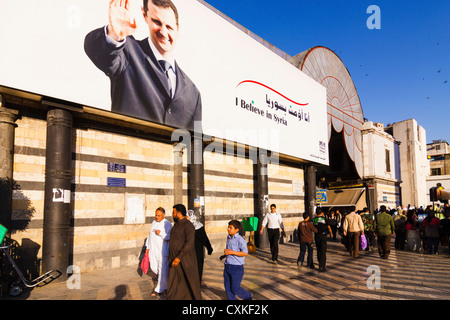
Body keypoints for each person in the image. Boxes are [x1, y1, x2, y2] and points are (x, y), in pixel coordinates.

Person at [84, 0, 202, 131]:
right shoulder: (127, 51)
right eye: (157, 22)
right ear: (145, 17)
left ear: (178, 28)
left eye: (169, 27)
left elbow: (195, 145)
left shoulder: (193, 93)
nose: (163, 32)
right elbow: (97, 52)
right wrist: (113, 34)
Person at [166, 204, 202, 300]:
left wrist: (179, 257)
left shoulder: (188, 226)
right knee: (174, 281)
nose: (172, 214)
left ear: (178, 213)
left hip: (185, 259)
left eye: (173, 212)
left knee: (190, 282)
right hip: (173, 259)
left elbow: (189, 243)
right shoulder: (176, 225)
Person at [144, 207, 172, 296]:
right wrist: (147, 248)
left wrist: (160, 233)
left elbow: (170, 236)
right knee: (154, 267)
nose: (157, 217)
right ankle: (166, 285)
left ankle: (159, 289)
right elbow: (150, 236)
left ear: (163, 215)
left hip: (162, 251)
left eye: (159, 215)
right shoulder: (154, 222)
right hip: (153, 251)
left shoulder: (167, 224)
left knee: (162, 270)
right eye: (156, 215)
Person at [222, 220, 252, 300]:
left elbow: (245, 253)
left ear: (237, 230)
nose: (228, 229)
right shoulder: (229, 237)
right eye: (228, 227)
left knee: (235, 289)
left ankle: (248, 296)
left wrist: (231, 252)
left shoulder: (240, 239)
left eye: (230, 228)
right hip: (227, 265)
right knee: (227, 287)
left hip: (237, 268)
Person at [187, 210, 213, 283]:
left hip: (198, 252)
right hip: (188, 252)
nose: (186, 218)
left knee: (198, 269)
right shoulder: (185, 226)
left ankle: (197, 284)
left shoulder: (198, 226)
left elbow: (204, 239)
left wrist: (209, 248)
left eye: (187, 217)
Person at [313, 208, 332, 272]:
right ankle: (322, 266)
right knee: (323, 251)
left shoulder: (314, 219)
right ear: (321, 212)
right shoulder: (324, 219)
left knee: (318, 250)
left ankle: (319, 263)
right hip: (323, 236)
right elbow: (329, 225)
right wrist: (331, 233)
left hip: (317, 236)